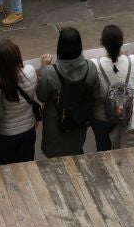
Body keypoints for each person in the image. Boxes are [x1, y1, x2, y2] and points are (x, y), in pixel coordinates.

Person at [34, 27, 97, 158]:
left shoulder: (50, 72)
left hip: (55, 131)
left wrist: (44, 68)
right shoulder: (90, 67)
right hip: (79, 127)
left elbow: (41, 96)